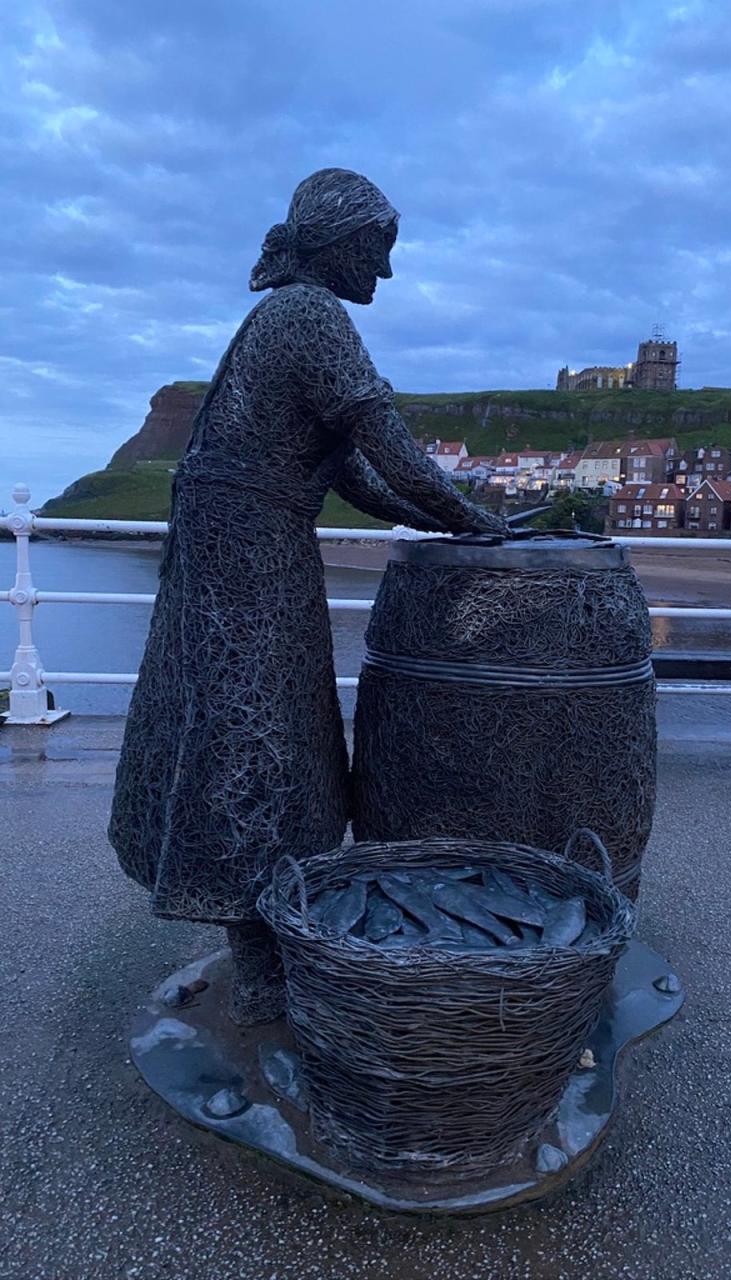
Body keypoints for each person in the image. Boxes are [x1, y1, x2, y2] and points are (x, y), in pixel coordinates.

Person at [109, 169, 506, 1023]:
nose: (386, 274)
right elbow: (391, 450)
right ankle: (264, 960)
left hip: (248, 544)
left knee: (259, 727)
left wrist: (451, 523)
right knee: (253, 735)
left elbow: (357, 479)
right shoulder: (308, 314)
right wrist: (474, 520)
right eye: (380, 251)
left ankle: (268, 931)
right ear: (341, 244)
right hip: (246, 554)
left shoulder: (286, 315)